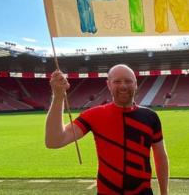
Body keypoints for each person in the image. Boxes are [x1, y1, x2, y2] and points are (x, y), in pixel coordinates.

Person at [46, 64, 169, 195]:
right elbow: (54, 141)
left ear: (136, 84)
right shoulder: (94, 115)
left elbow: (160, 157)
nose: (123, 86)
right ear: (109, 84)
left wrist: (164, 193)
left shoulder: (151, 117)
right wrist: (58, 97)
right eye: (117, 81)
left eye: (128, 81)